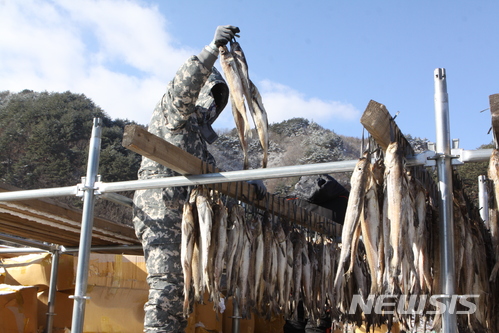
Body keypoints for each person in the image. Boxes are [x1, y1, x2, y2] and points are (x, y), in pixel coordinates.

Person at [132, 25, 265, 332]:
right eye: (212, 98)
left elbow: (213, 183)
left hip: (187, 216)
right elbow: (184, 86)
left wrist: (248, 184)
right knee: (166, 286)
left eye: (219, 103)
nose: (214, 107)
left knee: (183, 291)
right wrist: (210, 52)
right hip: (161, 209)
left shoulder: (200, 145)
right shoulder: (172, 114)